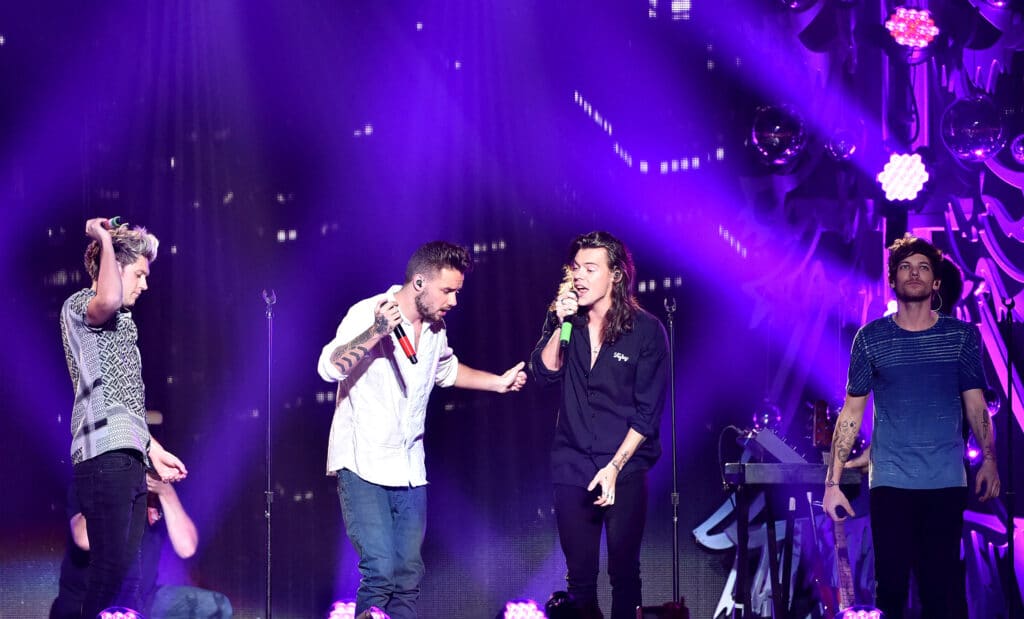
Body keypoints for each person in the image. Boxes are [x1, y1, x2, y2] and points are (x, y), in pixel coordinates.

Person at [316, 240, 528, 619]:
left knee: (409, 576)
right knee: (380, 571)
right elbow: (329, 367)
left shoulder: (435, 330)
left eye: (457, 292)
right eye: (448, 291)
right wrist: (377, 332)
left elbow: (446, 371)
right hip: (362, 460)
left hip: (410, 467)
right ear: (418, 283)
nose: (454, 301)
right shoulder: (368, 312)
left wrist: (498, 382)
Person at [823, 234, 1000, 619]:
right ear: (893, 279)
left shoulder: (962, 336)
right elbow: (851, 412)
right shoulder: (870, 338)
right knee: (891, 590)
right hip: (890, 485)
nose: (914, 273)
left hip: (946, 482)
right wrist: (832, 484)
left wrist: (989, 459)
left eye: (923, 267)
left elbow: (976, 406)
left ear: (936, 282)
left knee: (943, 593)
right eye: (905, 267)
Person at [530, 231, 669, 619]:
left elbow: (647, 413)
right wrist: (561, 323)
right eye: (575, 268)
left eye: (590, 268)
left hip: (623, 468)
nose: (579, 277)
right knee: (579, 580)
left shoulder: (646, 331)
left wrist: (614, 467)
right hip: (572, 465)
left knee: (624, 575)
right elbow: (543, 374)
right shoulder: (566, 320)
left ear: (616, 275)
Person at [60, 217, 187, 617]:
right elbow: (108, 300)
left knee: (129, 576)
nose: (145, 285)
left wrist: (155, 449)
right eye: (139, 274)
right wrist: (102, 238)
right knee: (110, 568)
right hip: (102, 455)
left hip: (129, 455)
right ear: (114, 269)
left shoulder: (125, 325)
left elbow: (127, 404)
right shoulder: (80, 305)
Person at [50, 475, 232, 618]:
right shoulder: (91, 483)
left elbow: (187, 548)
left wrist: (166, 491)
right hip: (87, 603)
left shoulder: (160, 496)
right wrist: (122, 485)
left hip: (143, 600)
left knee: (216, 607)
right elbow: (84, 539)